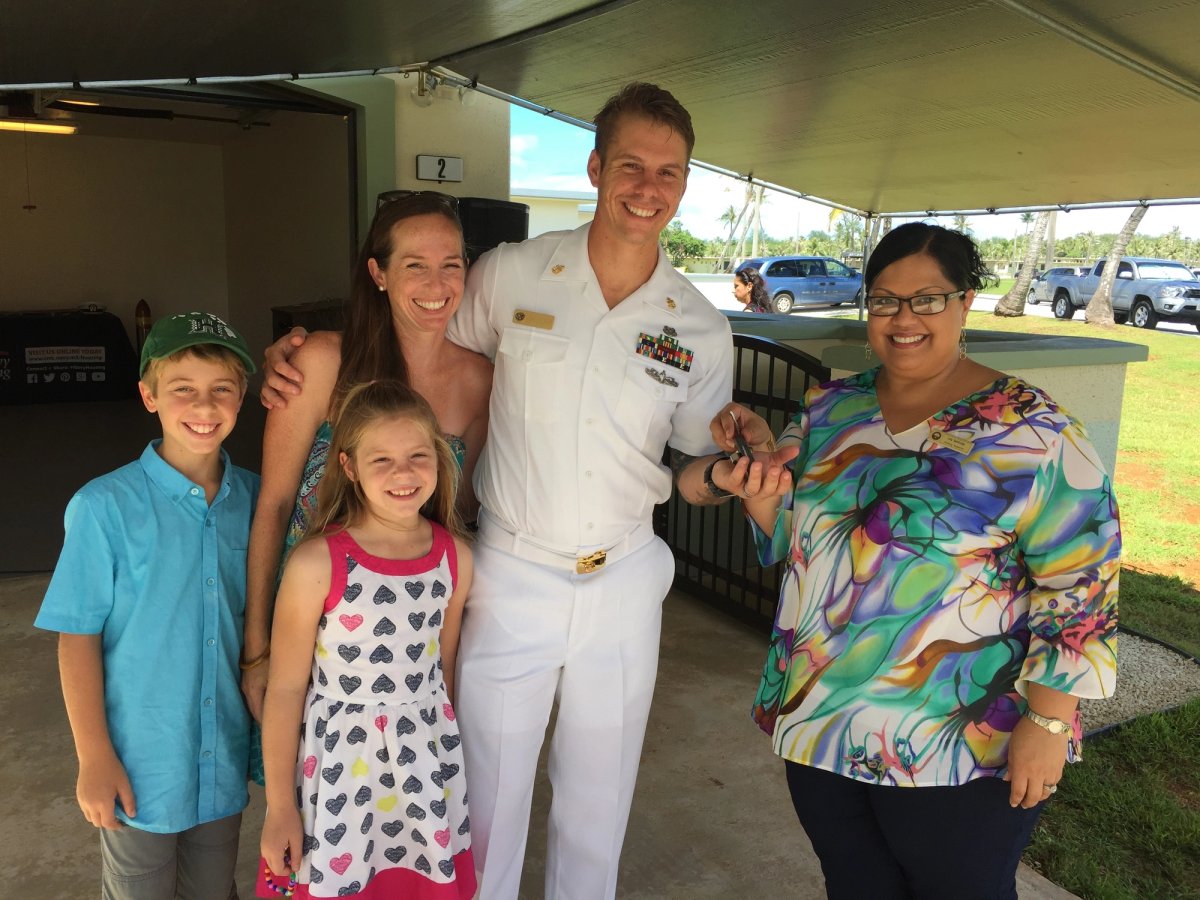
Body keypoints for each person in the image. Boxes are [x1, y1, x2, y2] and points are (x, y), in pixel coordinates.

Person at [261, 82, 740, 899]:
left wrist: (725, 476)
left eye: (669, 172)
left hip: (625, 575)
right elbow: (420, 334)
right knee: (479, 798)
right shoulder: (514, 272)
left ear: (686, 183)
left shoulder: (700, 325)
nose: (648, 187)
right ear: (595, 168)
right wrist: (305, 354)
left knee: (599, 805)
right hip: (512, 570)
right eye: (631, 165)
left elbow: (695, 466)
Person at [709, 222, 1121, 899]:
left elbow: (1082, 586)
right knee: (854, 885)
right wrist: (758, 484)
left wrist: (1048, 723)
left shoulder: (1035, 431)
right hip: (824, 723)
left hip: (962, 745)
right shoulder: (829, 409)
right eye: (884, 300)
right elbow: (794, 538)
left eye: (927, 299)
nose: (903, 319)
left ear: (965, 301)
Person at [241, 193, 492, 729]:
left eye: (451, 265)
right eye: (415, 266)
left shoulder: (479, 380)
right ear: (378, 273)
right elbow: (274, 504)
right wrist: (257, 649)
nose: (436, 285)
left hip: (408, 649)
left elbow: (458, 519)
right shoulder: (321, 361)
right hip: (307, 631)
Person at [35, 311, 259, 899]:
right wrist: (93, 757)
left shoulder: (258, 502)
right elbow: (77, 636)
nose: (204, 406)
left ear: (242, 398)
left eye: (222, 389)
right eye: (183, 389)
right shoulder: (103, 507)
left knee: (214, 888)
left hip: (221, 756)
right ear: (148, 395)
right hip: (139, 763)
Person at [257, 380, 475, 899]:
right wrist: (280, 806)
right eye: (382, 460)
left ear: (439, 460)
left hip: (422, 765)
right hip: (339, 773)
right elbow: (286, 689)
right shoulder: (317, 562)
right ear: (349, 467)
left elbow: (443, 675)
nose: (404, 473)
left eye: (419, 455)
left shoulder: (456, 558)